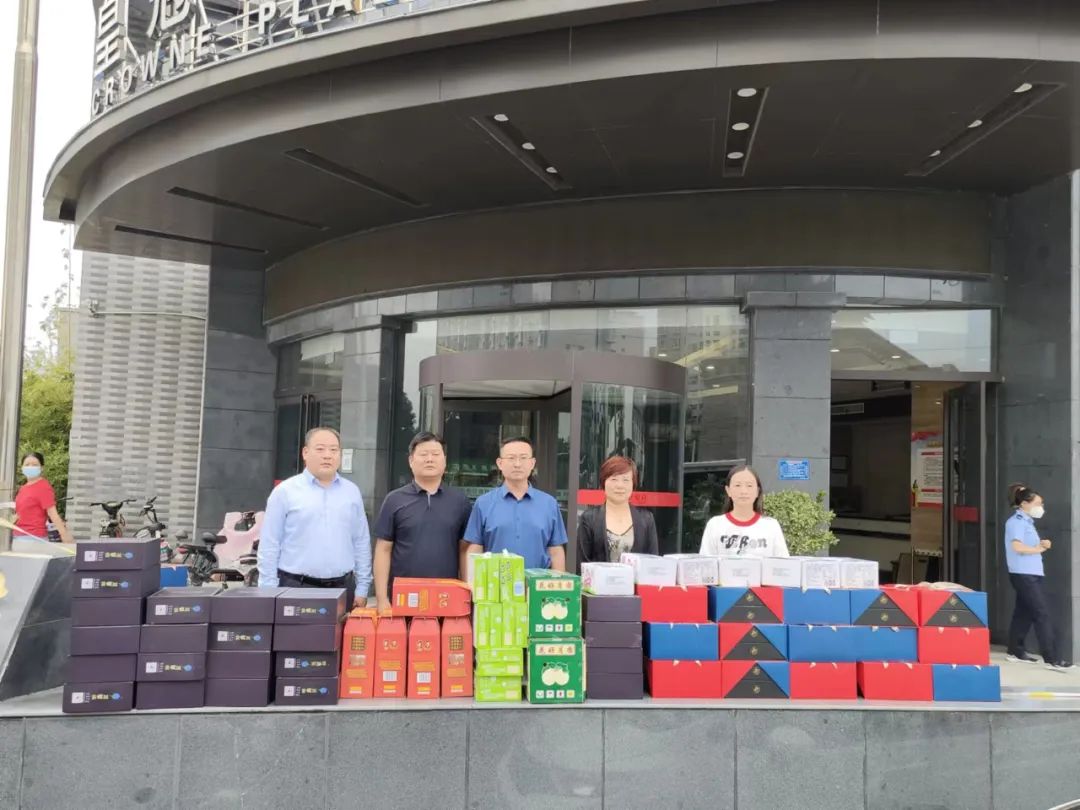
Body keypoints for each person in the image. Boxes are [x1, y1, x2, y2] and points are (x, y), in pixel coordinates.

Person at [258, 427, 371, 611]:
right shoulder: (285, 492)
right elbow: (270, 544)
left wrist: (363, 587)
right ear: (305, 452)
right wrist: (269, 591)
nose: (327, 455)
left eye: (334, 450)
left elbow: (361, 541)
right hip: (296, 587)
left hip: (343, 588)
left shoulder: (352, 492)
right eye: (320, 449)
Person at [372, 432, 472, 613]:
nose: (430, 459)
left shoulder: (459, 501)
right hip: (403, 597)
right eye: (423, 454)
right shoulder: (394, 500)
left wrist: (467, 594)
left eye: (435, 454)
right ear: (411, 460)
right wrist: (381, 598)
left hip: (446, 598)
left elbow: (465, 550)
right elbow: (383, 550)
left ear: (445, 460)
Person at [464, 436, 568, 570]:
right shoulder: (483, 503)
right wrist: (473, 581)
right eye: (511, 458)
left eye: (523, 458)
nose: (517, 464)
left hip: (537, 581)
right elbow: (475, 548)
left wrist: (558, 582)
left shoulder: (549, 504)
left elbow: (556, 551)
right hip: (495, 581)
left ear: (532, 463)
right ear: (500, 463)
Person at [1004, 483, 1073, 670]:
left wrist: (1042, 544)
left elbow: (1027, 544)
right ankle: (1052, 658)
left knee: (1024, 612)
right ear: (1024, 503)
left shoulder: (1027, 522)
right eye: (1038, 503)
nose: (1041, 508)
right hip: (1023, 573)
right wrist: (1038, 549)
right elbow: (1017, 546)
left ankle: (1015, 650)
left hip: (1032, 572)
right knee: (1041, 613)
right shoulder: (1016, 522)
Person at [576, 455, 658, 565]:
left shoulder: (646, 519)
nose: (620, 485)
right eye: (614, 479)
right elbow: (582, 565)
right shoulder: (589, 519)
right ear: (603, 483)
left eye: (626, 480)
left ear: (633, 484)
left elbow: (653, 562)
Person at [699, 465, 788, 557]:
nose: (743, 491)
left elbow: (783, 563)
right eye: (737, 485)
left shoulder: (771, 526)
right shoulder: (715, 525)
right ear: (728, 490)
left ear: (757, 491)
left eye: (749, 485)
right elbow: (706, 563)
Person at [14, 452, 73, 543]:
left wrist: (65, 535)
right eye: (27, 464)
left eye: (34, 465)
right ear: (22, 467)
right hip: (17, 535)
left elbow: (52, 514)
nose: (30, 467)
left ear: (41, 468)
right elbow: (21, 513)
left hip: (33, 538)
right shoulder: (23, 488)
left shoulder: (43, 487)